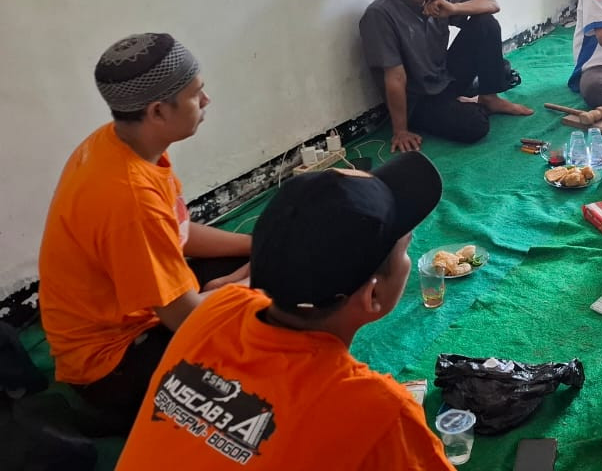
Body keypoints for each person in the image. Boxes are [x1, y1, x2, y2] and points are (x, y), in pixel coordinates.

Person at [117, 152, 454, 469]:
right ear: (374, 294)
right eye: (406, 245)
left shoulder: (219, 308)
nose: (409, 248)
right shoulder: (381, 412)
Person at [39, 33, 251, 432]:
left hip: (149, 310)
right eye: (196, 94)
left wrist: (258, 248)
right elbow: (187, 320)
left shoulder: (118, 144)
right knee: (262, 329)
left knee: (256, 271)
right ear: (157, 111)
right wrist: (251, 280)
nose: (206, 102)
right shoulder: (129, 196)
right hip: (113, 364)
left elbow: (179, 231)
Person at [360, 0, 531, 152]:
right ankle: (468, 103)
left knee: (485, 22)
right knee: (474, 125)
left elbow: (491, 4)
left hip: (445, 79)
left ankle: (489, 97)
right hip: (420, 100)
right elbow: (395, 77)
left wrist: (455, 8)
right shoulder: (381, 14)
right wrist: (400, 131)